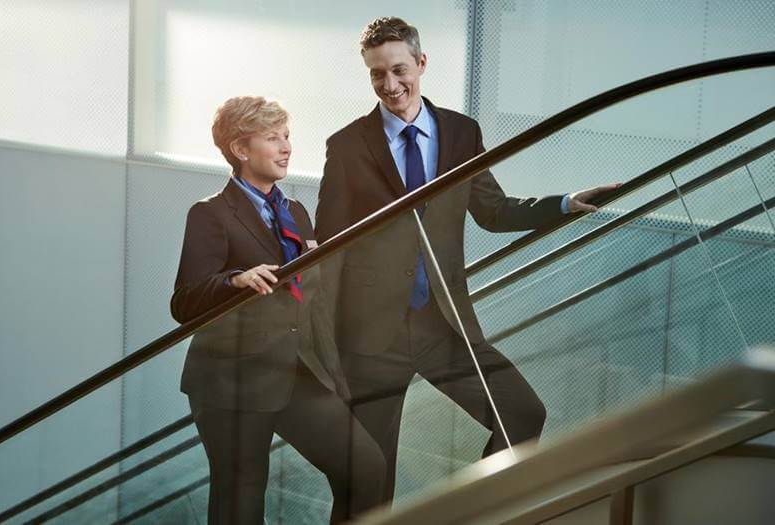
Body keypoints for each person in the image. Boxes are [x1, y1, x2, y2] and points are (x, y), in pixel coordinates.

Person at [314, 17, 620, 505]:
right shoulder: (348, 146)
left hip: (443, 325)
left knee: (522, 416)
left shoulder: (459, 132)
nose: (389, 85)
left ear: (421, 63)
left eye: (398, 70)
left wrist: (564, 203)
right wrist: (326, 352)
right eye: (377, 75)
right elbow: (327, 248)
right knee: (367, 489)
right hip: (370, 340)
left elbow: (493, 210)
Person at [171, 96, 386, 524]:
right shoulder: (210, 214)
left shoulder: (297, 214)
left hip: (297, 373)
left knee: (368, 469)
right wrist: (235, 280)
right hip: (232, 379)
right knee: (241, 501)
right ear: (240, 148)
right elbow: (185, 300)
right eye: (272, 138)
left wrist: (335, 375)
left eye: (287, 136)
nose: (286, 146)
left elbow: (313, 302)